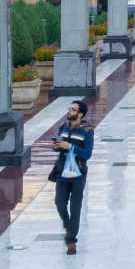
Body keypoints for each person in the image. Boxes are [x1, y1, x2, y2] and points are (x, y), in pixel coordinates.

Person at [49, 100, 94, 253]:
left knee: (75, 208)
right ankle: (69, 228)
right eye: (69, 109)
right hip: (62, 171)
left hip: (78, 173)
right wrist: (57, 146)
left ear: (80, 113)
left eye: (73, 110)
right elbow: (59, 146)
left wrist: (71, 147)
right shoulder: (63, 127)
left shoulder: (87, 131)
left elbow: (87, 154)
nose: (69, 111)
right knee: (59, 203)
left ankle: (71, 241)